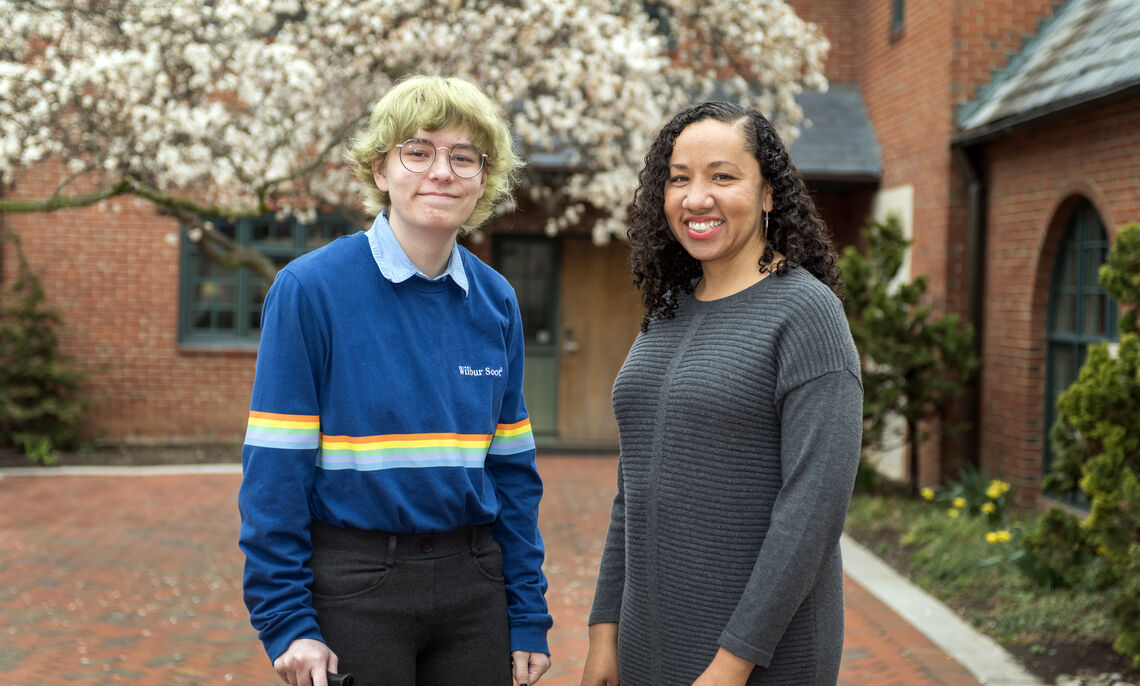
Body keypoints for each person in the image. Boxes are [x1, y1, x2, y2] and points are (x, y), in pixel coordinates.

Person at [238, 75, 552, 686]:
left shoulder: (497, 300)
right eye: (419, 151)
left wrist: (527, 612)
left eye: (465, 157)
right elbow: (275, 469)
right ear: (381, 169)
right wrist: (286, 621)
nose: (443, 171)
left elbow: (512, 473)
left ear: (483, 179)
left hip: (474, 586)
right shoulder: (310, 290)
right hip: (355, 586)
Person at [580, 101, 863, 686]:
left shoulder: (807, 314)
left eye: (723, 176)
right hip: (647, 643)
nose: (696, 197)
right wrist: (605, 632)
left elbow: (812, 509)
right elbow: (631, 489)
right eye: (679, 178)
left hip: (760, 655)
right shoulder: (667, 312)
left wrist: (735, 662)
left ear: (767, 195)